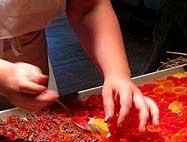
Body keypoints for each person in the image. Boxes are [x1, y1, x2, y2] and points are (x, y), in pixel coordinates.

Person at [0, 0, 159, 131]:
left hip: (27, 45)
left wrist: (117, 74)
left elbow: (88, 7)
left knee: (29, 129)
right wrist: (4, 76)